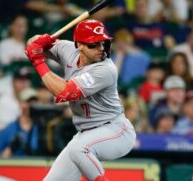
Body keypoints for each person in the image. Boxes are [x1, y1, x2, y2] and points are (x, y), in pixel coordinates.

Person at [25, 19, 136, 181]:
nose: (101, 49)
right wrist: (38, 40)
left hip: (116, 131)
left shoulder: (106, 69)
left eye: (103, 43)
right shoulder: (68, 49)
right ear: (80, 46)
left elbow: (64, 92)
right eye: (93, 45)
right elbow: (31, 45)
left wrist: (38, 61)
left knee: (79, 149)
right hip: (86, 133)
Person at [0, 88, 39, 158]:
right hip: (14, 168)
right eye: (28, 102)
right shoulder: (9, 129)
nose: (31, 105)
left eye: (34, 102)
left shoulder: (41, 128)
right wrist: (11, 148)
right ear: (20, 104)